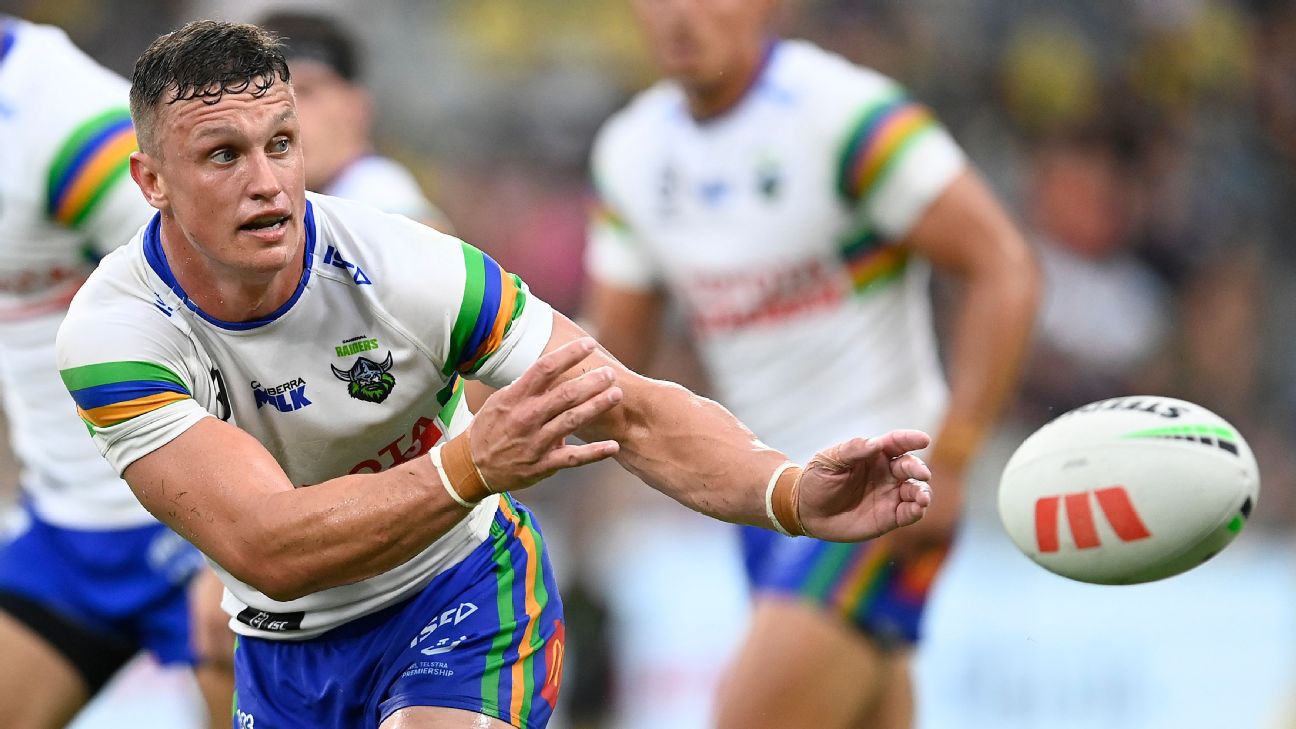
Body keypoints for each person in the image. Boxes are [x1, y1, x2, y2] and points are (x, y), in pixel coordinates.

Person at [54, 20, 936, 729]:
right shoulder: (114, 333)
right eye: (223, 155)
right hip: (284, 650)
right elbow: (265, 547)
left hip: (461, 593)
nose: (269, 183)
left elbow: (622, 405)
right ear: (151, 180)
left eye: (281, 143)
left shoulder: (412, 267)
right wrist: (471, 465)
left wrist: (785, 491)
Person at [583, 1, 1041, 727]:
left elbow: (1005, 267)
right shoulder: (630, 151)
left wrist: (953, 457)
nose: (678, 15)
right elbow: (615, 349)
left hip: (881, 483)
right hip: (765, 496)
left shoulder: (846, 115)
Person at [0, 15, 231, 729]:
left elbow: (234, 304)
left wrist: (233, 548)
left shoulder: (59, 120)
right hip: (68, 531)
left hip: (196, 528)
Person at [257, 10, 450, 228]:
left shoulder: (387, 210)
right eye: (266, 95)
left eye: (306, 91)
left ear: (358, 106)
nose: (282, 115)